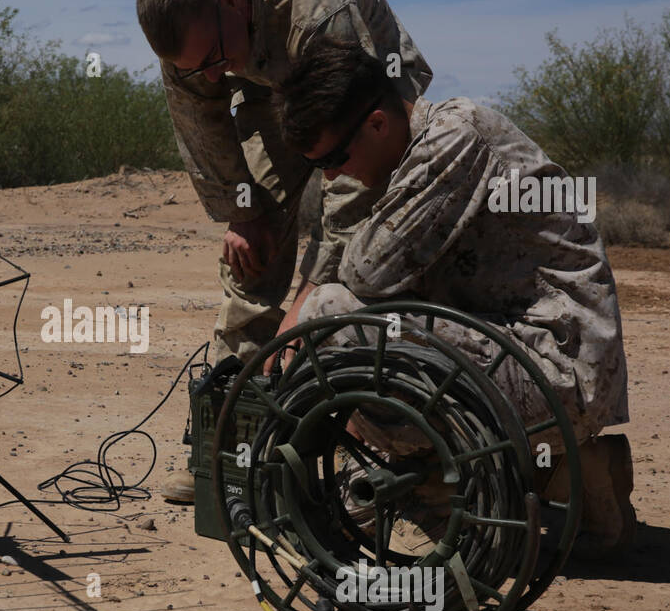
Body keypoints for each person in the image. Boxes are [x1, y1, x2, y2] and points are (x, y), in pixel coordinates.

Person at [270, 35, 636, 557]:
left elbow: (367, 272)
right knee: (373, 338)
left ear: (377, 122)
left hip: (556, 371)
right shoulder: (423, 147)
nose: (331, 175)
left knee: (333, 317)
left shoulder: (453, 138)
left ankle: (445, 499)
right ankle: (571, 475)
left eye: (334, 156)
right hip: (538, 364)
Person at [135, 0, 431, 503]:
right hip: (272, 89)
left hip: (366, 89)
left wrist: (312, 296)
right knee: (253, 249)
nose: (213, 76)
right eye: (202, 69)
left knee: (372, 254)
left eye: (217, 60)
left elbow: (348, 188)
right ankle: (227, 447)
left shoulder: (316, 4)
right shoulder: (181, 16)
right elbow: (203, 127)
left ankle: (375, 433)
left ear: (231, 0)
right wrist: (240, 212)